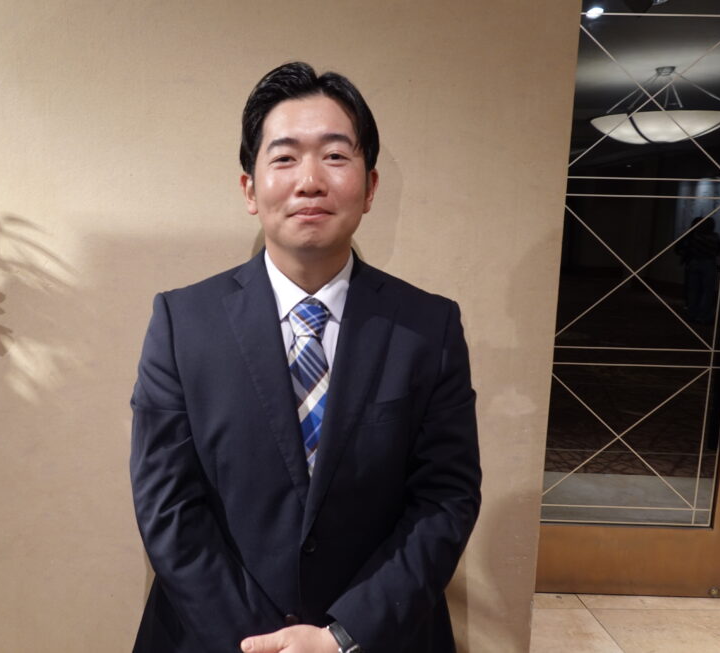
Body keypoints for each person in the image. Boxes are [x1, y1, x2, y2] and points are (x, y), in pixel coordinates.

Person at [130, 62, 481, 653]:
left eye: (335, 156)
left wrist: (343, 637)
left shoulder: (429, 326)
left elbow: (445, 498)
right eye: (285, 157)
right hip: (214, 638)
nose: (310, 181)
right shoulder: (181, 322)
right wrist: (256, 642)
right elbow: (165, 503)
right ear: (250, 188)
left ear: (370, 187)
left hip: (378, 638)